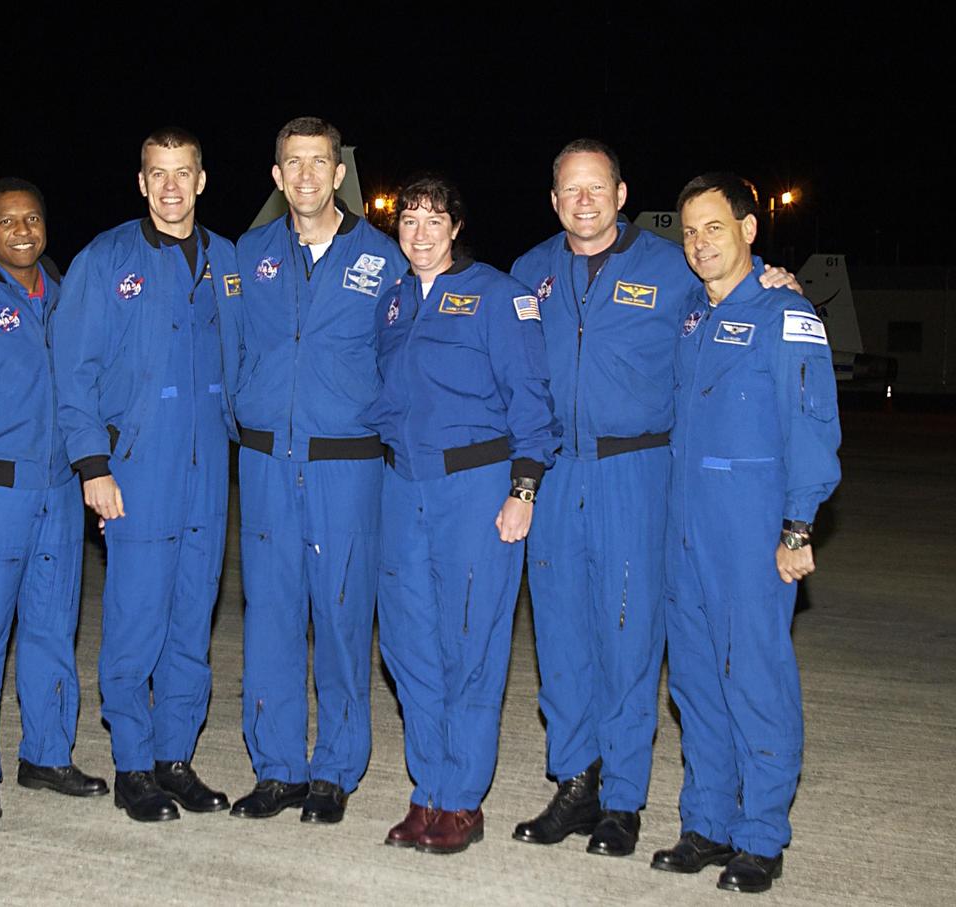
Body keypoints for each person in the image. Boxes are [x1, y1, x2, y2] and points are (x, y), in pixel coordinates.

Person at [509, 140, 797, 856]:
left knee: (629, 635)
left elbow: (738, 298)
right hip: (557, 472)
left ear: (621, 192)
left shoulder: (671, 269)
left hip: (637, 473)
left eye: (596, 187)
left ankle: (624, 800)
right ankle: (576, 780)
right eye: (569, 189)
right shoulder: (528, 273)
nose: (583, 200)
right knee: (562, 635)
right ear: (553, 199)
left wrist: (777, 279)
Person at [657, 173, 840, 894]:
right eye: (691, 232)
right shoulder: (691, 319)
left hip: (750, 525)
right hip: (685, 526)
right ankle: (707, 822)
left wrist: (798, 526)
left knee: (755, 679)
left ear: (749, 230)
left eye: (715, 228)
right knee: (698, 683)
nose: (701, 243)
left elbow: (813, 427)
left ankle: (762, 834)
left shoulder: (785, 314)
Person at [366, 176, 559, 854]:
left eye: (433, 220)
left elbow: (532, 400)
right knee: (408, 645)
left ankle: (462, 799)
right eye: (408, 219)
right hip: (402, 487)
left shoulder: (498, 296)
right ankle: (427, 790)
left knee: (469, 642)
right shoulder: (392, 304)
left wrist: (524, 488)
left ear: (455, 227)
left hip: (475, 489)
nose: (418, 232)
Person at [52, 128, 239, 822]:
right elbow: (73, 372)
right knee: (136, 620)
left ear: (201, 179)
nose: (170, 186)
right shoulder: (106, 260)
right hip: (136, 468)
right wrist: (92, 465)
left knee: (192, 620)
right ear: (140, 182)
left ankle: (174, 757)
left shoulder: (228, 260)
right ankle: (132, 762)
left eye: (182, 172)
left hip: (207, 471)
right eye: (157, 173)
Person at [229, 117, 407, 823]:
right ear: (276, 176)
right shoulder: (248, 254)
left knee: (339, 615)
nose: (305, 175)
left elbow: (409, 355)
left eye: (319, 162)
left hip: (347, 467)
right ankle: (276, 767)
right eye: (292, 163)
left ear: (340, 173)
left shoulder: (385, 257)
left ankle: (334, 769)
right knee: (270, 615)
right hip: (268, 461)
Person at [0, 178, 106, 820]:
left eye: (33, 218)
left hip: (59, 494)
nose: (23, 230)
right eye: (8, 222)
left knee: (52, 629)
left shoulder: (67, 302)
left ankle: (47, 754)